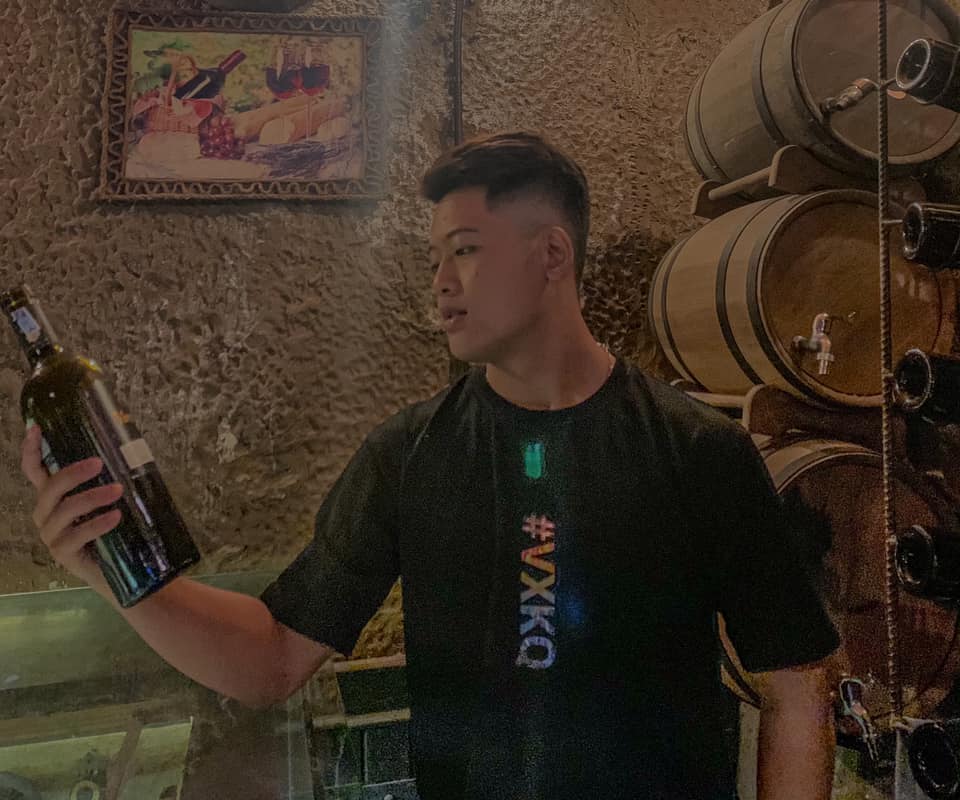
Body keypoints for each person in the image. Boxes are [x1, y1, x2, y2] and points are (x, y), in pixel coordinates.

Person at [21, 131, 839, 800]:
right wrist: (115, 577)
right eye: (436, 258)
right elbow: (272, 658)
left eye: (467, 251)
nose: (441, 285)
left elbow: (797, 685)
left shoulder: (699, 450)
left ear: (552, 255)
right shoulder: (408, 453)